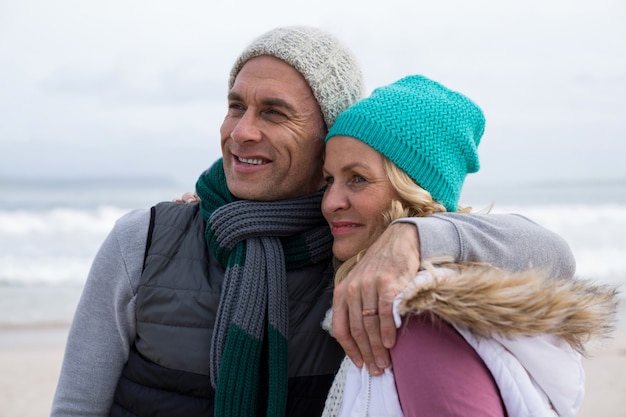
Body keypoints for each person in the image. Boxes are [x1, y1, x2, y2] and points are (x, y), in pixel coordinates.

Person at [51, 26, 578, 417]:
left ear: (328, 133)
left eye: (274, 113)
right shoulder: (147, 237)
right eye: (236, 107)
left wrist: (412, 236)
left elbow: (553, 255)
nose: (242, 132)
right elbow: (77, 404)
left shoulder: (358, 249)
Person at [318, 75, 618, 416]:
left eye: (357, 178)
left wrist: (413, 233)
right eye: (329, 180)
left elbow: (557, 254)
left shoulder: (422, 321)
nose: (330, 202)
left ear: (413, 188)